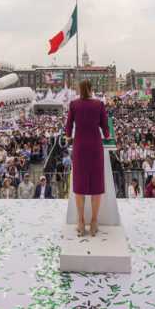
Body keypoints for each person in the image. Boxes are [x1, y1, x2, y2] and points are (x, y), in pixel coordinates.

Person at [65, 79, 110, 237]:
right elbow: (105, 126)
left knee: (80, 184)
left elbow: (69, 125)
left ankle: (81, 222)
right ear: (91, 89)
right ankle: (94, 222)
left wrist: (68, 137)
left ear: (79, 88)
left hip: (80, 146)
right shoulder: (99, 105)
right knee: (96, 184)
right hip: (95, 146)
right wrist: (107, 135)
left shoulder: (74, 104)